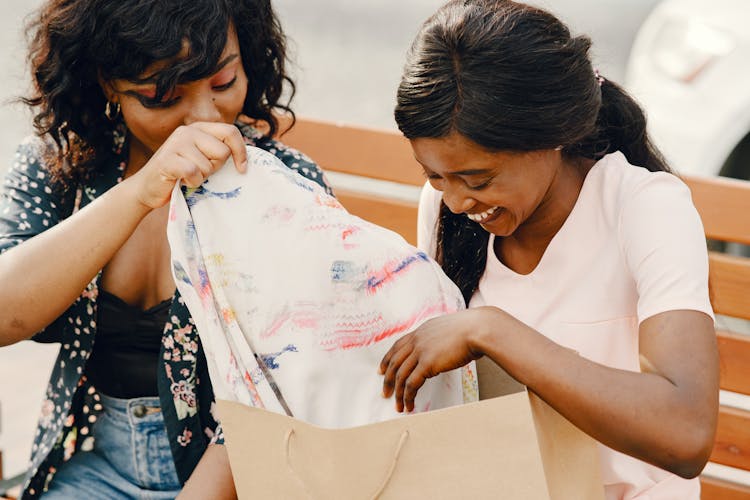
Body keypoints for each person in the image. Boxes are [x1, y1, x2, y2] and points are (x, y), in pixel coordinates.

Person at [379, 1, 719, 498]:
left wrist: (492, 331)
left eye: (479, 179)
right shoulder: (447, 210)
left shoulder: (644, 209)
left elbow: (686, 434)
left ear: (555, 137)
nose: (453, 200)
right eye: (433, 174)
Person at [0, 0, 331, 498]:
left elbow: (300, 383)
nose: (203, 117)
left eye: (223, 83)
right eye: (161, 95)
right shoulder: (63, 166)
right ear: (108, 82)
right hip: (97, 468)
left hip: (241, 476)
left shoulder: (288, 185)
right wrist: (138, 192)